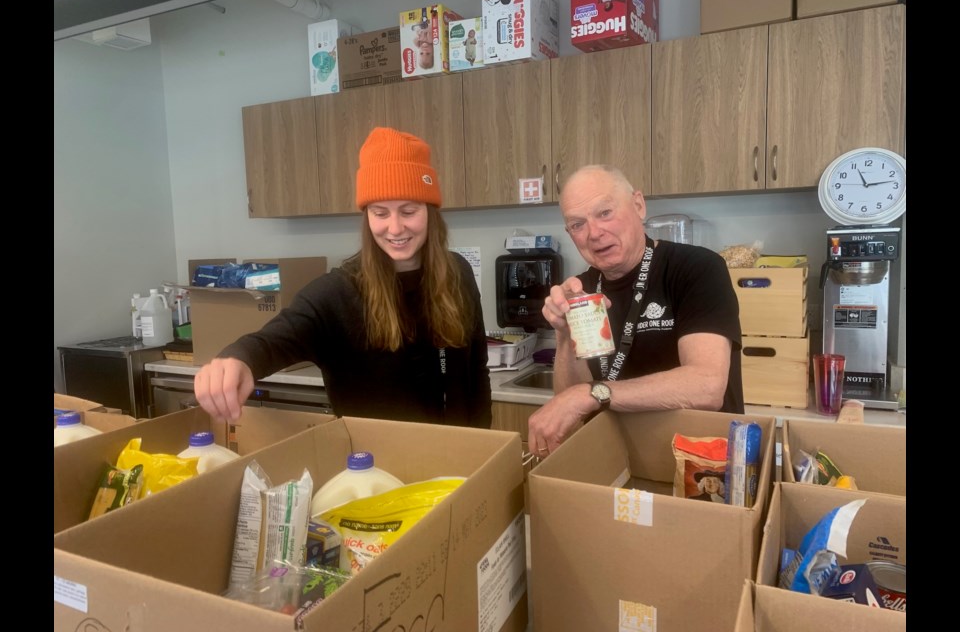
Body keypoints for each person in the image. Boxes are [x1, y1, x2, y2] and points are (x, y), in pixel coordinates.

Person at [194, 127, 492, 428]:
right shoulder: (336, 293)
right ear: (367, 217)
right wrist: (238, 359)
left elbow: (477, 371)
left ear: (430, 211)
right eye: (380, 213)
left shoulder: (458, 274)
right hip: (376, 469)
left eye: (408, 210)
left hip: (462, 460)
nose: (396, 227)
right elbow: (273, 341)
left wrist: (485, 445)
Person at [527, 164, 744, 456]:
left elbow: (706, 386)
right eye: (578, 224)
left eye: (605, 213)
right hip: (622, 458)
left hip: (700, 461)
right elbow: (570, 405)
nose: (594, 233)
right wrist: (565, 335)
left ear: (638, 206)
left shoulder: (698, 268)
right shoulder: (583, 291)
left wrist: (593, 393)